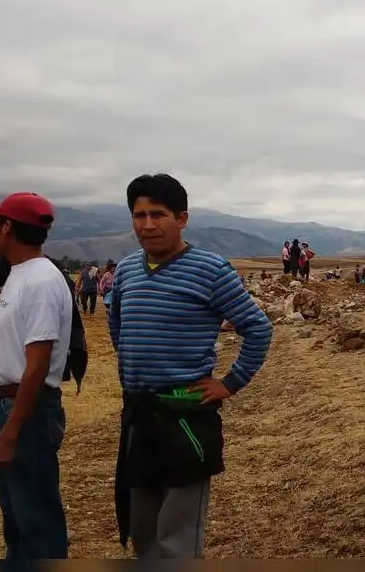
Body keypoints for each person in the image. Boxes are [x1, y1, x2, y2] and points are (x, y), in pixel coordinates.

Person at [109, 174, 273, 559]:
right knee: (143, 528)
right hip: (138, 412)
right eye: (139, 216)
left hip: (185, 414)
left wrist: (230, 383)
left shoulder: (210, 270)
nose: (148, 225)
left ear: (182, 219)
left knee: (177, 536)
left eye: (158, 215)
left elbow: (258, 328)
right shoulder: (127, 270)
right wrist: (137, 365)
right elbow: (117, 323)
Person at [0, 192, 72, 560]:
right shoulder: (21, 273)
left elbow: (37, 365)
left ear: (6, 227)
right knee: (17, 519)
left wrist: (11, 432)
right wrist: (0, 411)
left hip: (28, 411)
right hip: (14, 405)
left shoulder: (41, 282)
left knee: (36, 524)